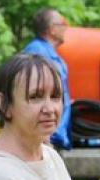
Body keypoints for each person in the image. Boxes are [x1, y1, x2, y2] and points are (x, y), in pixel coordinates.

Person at [22, 8, 72, 149]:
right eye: (62, 24)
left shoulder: (49, 53)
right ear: (52, 29)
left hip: (53, 136)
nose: (65, 28)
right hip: (45, 138)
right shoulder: (36, 53)